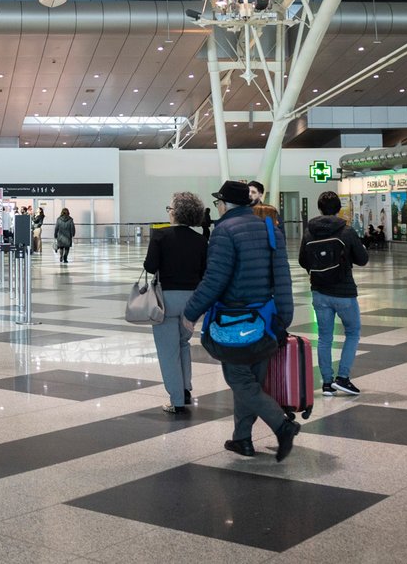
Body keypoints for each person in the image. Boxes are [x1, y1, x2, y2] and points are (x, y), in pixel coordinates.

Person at [183, 179, 298, 461]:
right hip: (266, 319)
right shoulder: (270, 228)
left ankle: (282, 426)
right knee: (251, 381)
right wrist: (284, 316)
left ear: (224, 204)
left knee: (239, 379)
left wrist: (191, 312)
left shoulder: (224, 231)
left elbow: (215, 279)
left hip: (234, 321)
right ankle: (242, 439)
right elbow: (282, 276)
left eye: (218, 202)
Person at [301, 190, 369, 398]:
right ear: (339, 209)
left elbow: (303, 260)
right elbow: (362, 259)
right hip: (344, 291)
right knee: (352, 332)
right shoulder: (346, 231)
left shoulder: (309, 232)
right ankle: (343, 378)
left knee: (324, 338)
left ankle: (327, 384)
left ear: (319, 208)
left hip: (319, 291)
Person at [144, 192, 208, 412]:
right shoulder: (200, 240)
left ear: (175, 212)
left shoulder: (160, 236)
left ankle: (177, 400)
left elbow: (150, 266)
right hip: (192, 301)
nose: (168, 212)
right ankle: (186, 388)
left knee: (168, 351)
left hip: (166, 300)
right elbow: (205, 271)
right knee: (183, 344)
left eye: (169, 208)